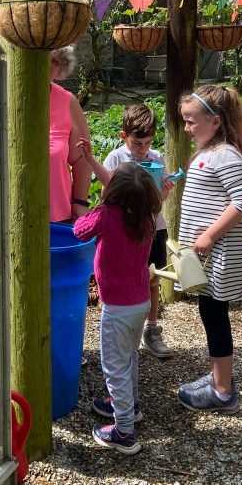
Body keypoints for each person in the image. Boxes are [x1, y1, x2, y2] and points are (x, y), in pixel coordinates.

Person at [176, 85, 242, 414]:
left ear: (216, 121)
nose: (186, 128)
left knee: (214, 315)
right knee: (210, 314)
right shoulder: (210, 153)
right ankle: (219, 377)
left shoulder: (225, 155)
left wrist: (209, 235)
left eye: (191, 121)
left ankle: (223, 391)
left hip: (218, 255)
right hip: (208, 256)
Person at [73, 160, 161, 455]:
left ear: (113, 192)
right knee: (129, 357)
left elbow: (79, 231)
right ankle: (129, 405)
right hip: (141, 303)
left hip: (117, 308)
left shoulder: (106, 215)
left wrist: (97, 204)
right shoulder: (146, 218)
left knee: (114, 367)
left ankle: (124, 431)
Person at [0, 46, 92, 221]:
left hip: (53, 214)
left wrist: (80, 202)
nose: (46, 64)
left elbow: (81, 157)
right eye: (40, 56)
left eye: (55, 60)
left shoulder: (67, 102)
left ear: (62, 67)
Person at [101, 104, 175, 358]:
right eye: (136, 143)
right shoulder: (115, 159)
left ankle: (151, 329)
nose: (143, 149)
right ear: (124, 136)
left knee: (152, 277)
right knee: (124, 275)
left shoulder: (156, 158)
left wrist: (164, 190)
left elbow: (159, 200)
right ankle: (122, 326)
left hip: (153, 226)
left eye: (147, 143)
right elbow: (106, 198)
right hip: (124, 230)